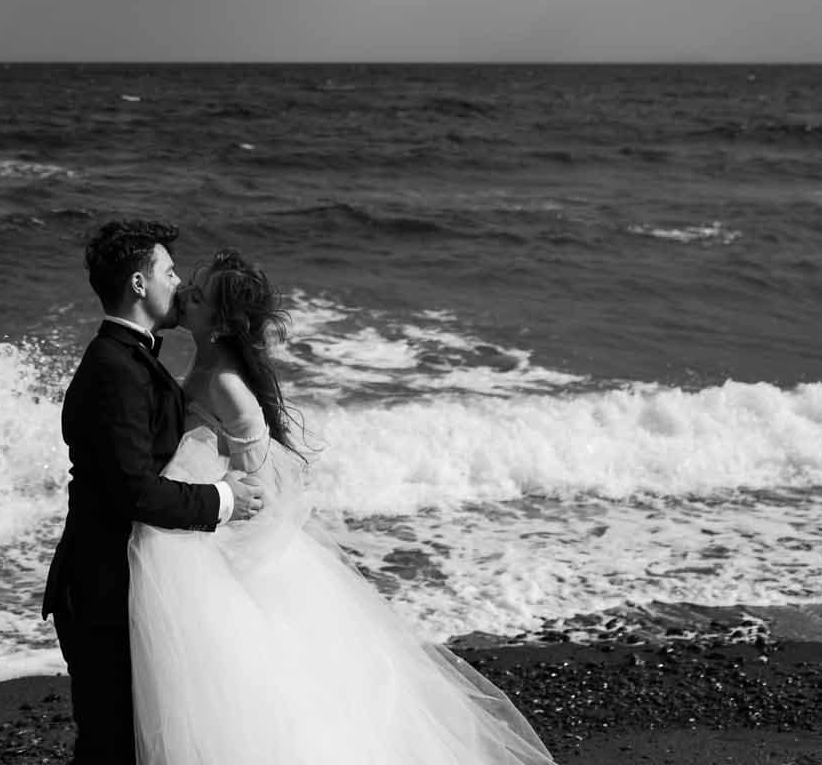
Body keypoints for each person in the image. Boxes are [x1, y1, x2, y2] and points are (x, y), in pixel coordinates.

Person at [125, 249, 558, 765]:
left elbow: (263, 488)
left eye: (195, 295)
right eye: (185, 285)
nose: (182, 296)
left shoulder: (225, 384)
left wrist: (225, 550)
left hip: (230, 547)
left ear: (217, 324)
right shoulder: (210, 366)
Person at [43, 220, 266, 765]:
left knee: (129, 740)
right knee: (110, 743)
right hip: (99, 590)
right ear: (139, 285)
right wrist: (225, 499)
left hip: (121, 583)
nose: (178, 285)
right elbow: (133, 493)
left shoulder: (133, 357)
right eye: (169, 272)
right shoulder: (115, 368)